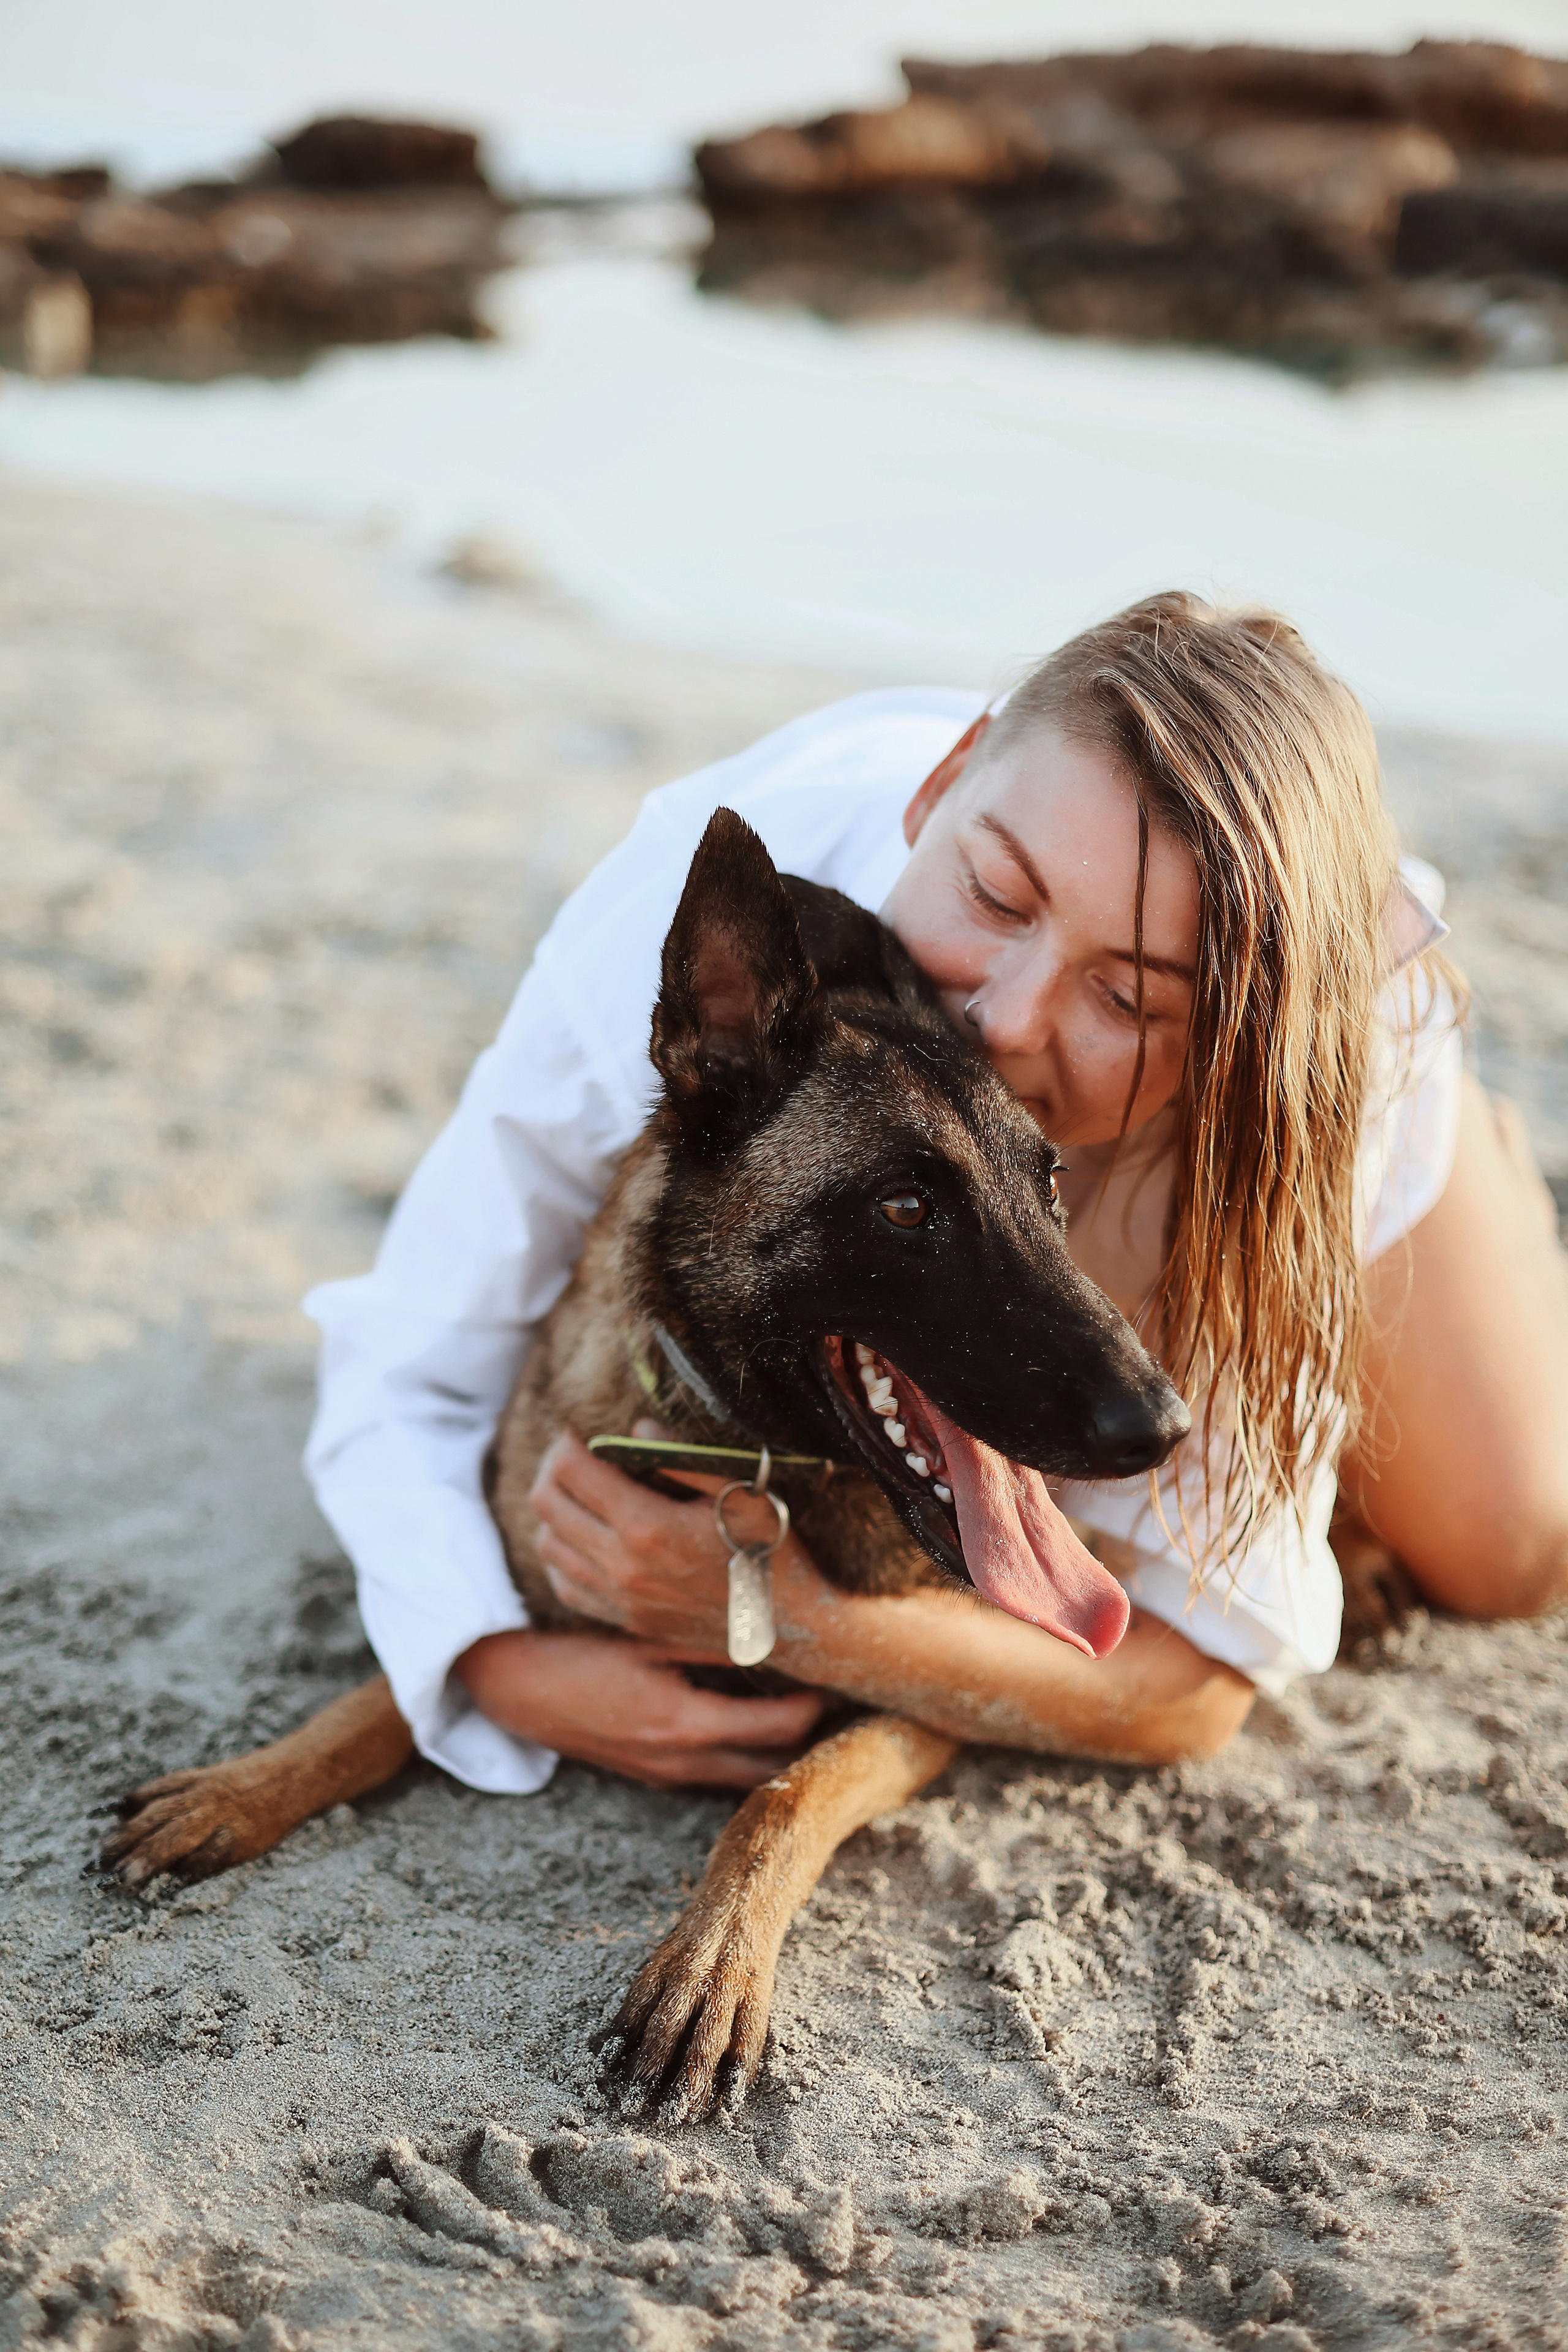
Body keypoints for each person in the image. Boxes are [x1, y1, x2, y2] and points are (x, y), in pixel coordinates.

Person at [303, 594, 1568, 1801]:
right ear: (941, 782)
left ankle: (1483, 1175)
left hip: (1304, 1082)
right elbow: (417, 1346)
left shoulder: (1276, 1104)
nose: (1004, 1021)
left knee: (1507, 1556)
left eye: (1124, 997)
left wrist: (798, 1623)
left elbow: (1191, 1686)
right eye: (995, 896)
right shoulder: (695, 908)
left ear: (1217, 1030)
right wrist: (486, 1664)